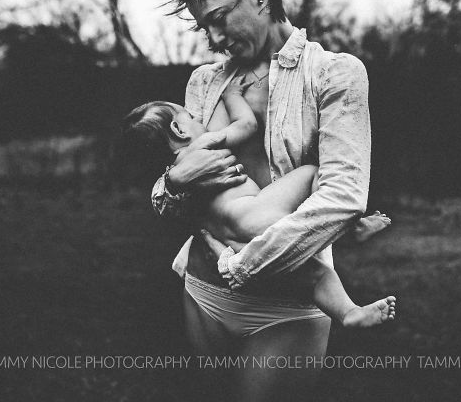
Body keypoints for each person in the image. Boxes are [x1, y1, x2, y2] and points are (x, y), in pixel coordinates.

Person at [148, 0, 394, 402]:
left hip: (287, 307)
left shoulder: (334, 75)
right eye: (205, 28)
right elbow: (174, 193)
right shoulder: (204, 82)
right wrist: (173, 184)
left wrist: (243, 264)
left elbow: (343, 195)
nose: (215, 39)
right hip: (202, 289)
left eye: (219, 19)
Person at [122, 78, 395, 328]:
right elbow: (247, 125)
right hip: (251, 211)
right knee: (313, 174)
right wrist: (232, 96)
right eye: (191, 116)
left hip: (225, 236)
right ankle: (349, 235)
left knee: (310, 273)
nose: (198, 118)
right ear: (179, 129)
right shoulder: (204, 144)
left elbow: (171, 207)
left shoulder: (176, 174)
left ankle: (349, 313)